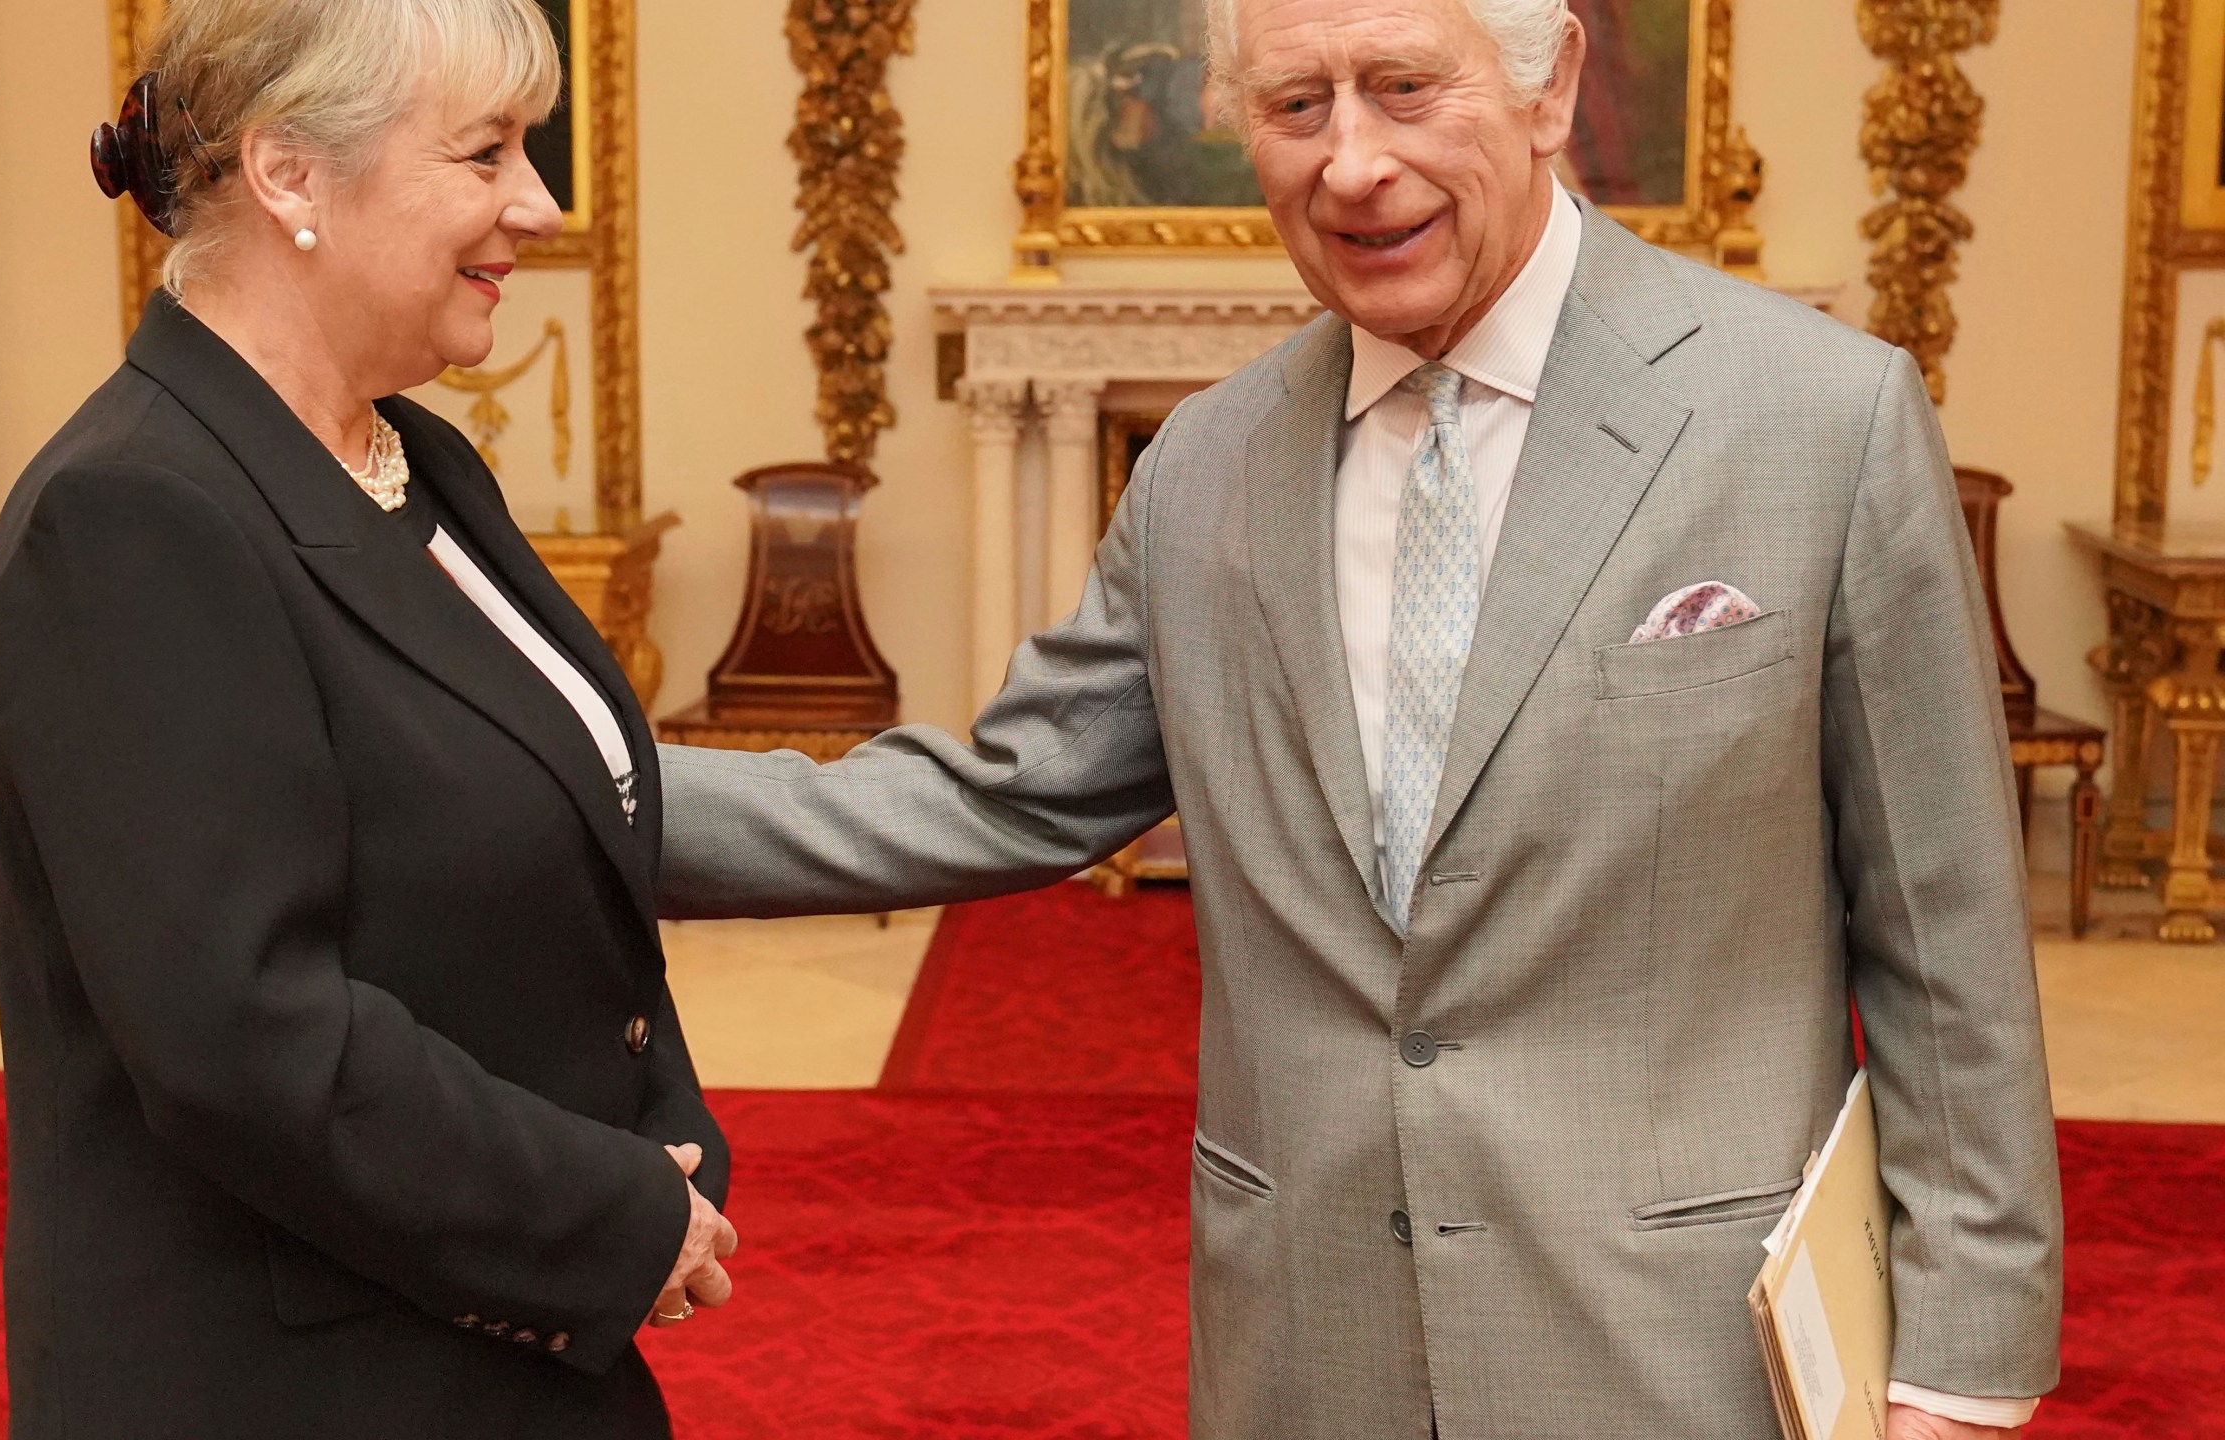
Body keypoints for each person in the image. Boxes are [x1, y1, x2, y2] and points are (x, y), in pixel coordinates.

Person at [655, 0, 2060, 1437]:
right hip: (1309, 1345)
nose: (1352, 164)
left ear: (1551, 85)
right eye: (1296, 107)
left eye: (1403, 87)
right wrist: (560, 781)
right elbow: (1002, 793)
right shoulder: (1205, 467)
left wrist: (1959, 1366)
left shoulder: (1817, 420)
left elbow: (1944, 930)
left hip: (1679, 1346)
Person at [0, 1, 731, 1434]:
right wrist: (606, 1215)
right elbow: (249, 1039)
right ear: (288, 175)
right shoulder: (134, 513)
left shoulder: (416, 455)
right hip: (297, 1377)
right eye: (488, 151)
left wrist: (657, 1156)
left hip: (479, 1330)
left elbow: (550, 813)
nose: (540, 204)